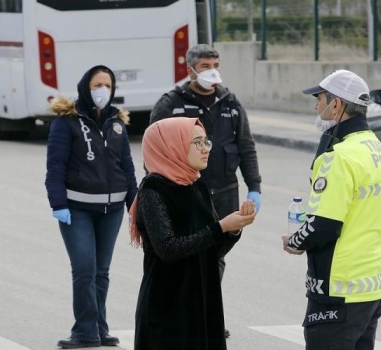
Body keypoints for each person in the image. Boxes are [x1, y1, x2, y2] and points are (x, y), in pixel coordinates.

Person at [281, 69, 381, 350]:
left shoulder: (339, 156)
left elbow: (325, 224)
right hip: (372, 287)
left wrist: (294, 241)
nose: (315, 106)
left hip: (339, 287)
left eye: (319, 99)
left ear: (336, 105)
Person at [149, 44, 261, 337]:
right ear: (190, 70)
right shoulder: (171, 103)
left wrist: (255, 187)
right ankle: (189, 310)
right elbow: (156, 147)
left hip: (224, 189)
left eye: (215, 64)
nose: (212, 70)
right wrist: (161, 188)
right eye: (205, 66)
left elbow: (245, 145)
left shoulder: (230, 102)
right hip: (184, 189)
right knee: (185, 252)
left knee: (215, 255)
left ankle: (208, 311)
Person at [129, 117, 257, 350]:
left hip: (203, 301)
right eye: (196, 143)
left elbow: (213, 251)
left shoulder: (196, 186)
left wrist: (233, 230)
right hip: (169, 306)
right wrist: (220, 227)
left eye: (205, 142)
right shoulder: (153, 189)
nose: (205, 149)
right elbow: (168, 249)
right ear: (172, 146)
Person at [45, 65, 138, 349]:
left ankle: (99, 328)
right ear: (86, 87)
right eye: (97, 85)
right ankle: (84, 331)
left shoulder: (117, 122)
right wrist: (58, 203)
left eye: (108, 86)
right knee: (84, 269)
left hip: (112, 211)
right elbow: (55, 166)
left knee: (101, 272)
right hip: (77, 209)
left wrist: (134, 203)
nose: (103, 91)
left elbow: (127, 166)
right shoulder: (67, 121)